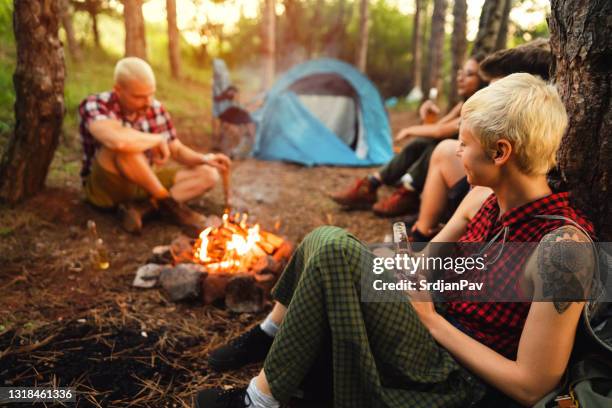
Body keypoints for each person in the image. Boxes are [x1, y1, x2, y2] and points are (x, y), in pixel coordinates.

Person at [195, 74, 596, 408]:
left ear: (501, 152)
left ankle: (257, 403)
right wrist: (403, 265)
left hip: (461, 379)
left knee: (335, 249)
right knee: (325, 243)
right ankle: (267, 335)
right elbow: (427, 265)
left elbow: (532, 386)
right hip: (431, 330)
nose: (456, 151)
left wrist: (432, 322)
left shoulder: (564, 251)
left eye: (464, 143)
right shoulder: (484, 198)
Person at [409, 39, 553, 245]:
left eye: (494, 94)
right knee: (439, 149)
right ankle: (420, 228)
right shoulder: (481, 201)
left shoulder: (551, 233)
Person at [78, 57, 231, 234]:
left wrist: (205, 158)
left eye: (151, 94)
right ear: (118, 90)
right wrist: (157, 139)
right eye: (139, 97)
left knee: (209, 174)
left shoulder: (155, 108)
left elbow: (177, 150)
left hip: (145, 182)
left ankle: (142, 209)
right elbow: (118, 141)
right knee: (126, 149)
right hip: (106, 189)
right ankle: (170, 206)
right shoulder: (95, 105)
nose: (148, 101)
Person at [329, 54, 488, 217]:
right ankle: (372, 184)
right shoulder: (464, 104)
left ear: (483, 80)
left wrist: (408, 130)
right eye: (461, 73)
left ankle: (408, 193)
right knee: (420, 143)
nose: (460, 78)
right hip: (455, 158)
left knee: (433, 146)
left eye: (469, 74)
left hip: (469, 166)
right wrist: (425, 117)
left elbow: (440, 132)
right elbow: (436, 128)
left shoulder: (480, 106)